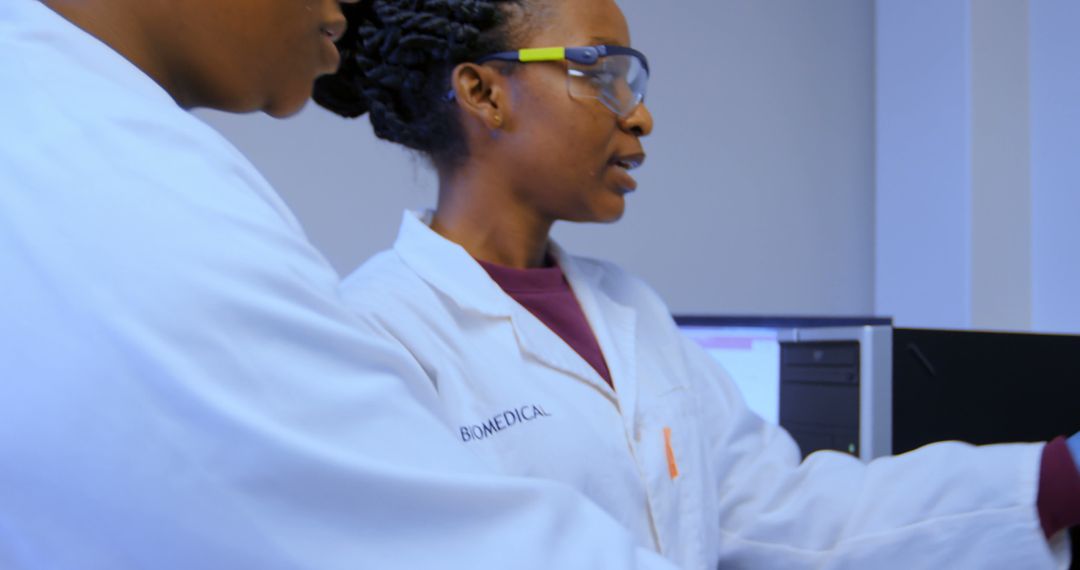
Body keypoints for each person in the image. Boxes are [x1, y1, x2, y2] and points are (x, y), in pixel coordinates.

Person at [315, 0, 1080, 568]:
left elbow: (779, 512)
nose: (640, 116)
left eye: (635, 81)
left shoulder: (628, 314)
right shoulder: (377, 335)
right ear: (483, 94)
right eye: (602, 74)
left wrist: (1058, 476)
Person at [0, 0, 685, 568]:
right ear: (480, 92)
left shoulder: (83, 131)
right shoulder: (124, 187)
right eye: (599, 72)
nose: (349, 13)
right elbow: (427, 543)